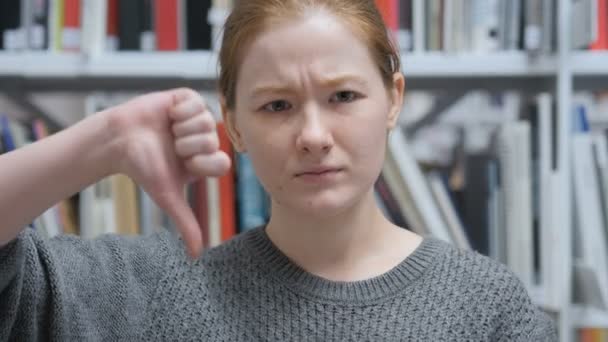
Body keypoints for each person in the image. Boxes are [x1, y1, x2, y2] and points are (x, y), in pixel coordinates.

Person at [0, 0, 557, 340]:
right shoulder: (162, 294)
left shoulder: (488, 307)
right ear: (234, 125)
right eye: (277, 106)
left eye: (342, 96)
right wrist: (102, 141)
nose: (313, 136)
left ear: (392, 100)